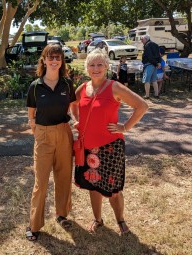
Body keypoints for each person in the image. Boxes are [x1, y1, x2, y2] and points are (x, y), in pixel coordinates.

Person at [70, 48, 148, 235]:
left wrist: (125, 127)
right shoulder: (83, 88)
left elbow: (142, 106)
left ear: (106, 66)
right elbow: (73, 104)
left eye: (99, 64)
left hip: (110, 147)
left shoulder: (114, 87)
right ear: (86, 67)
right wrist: (77, 120)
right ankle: (97, 219)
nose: (95, 68)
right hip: (88, 147)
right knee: (93, 185)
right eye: (91, 65)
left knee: (113, 189)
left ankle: (120, 221)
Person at [25, 44, 76, 241]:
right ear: (44, 60)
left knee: (63, 177)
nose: (54, 61)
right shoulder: (35, 86)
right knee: (41, 182)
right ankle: (34, 224)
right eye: (50, 57)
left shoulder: (67, 84)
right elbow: (31, 115)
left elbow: (72, 108)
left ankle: (61, 214)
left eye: (58, 57)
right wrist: (37, 132)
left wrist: (76, 121)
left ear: (61, 61)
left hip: (64, 134)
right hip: (44, 136)